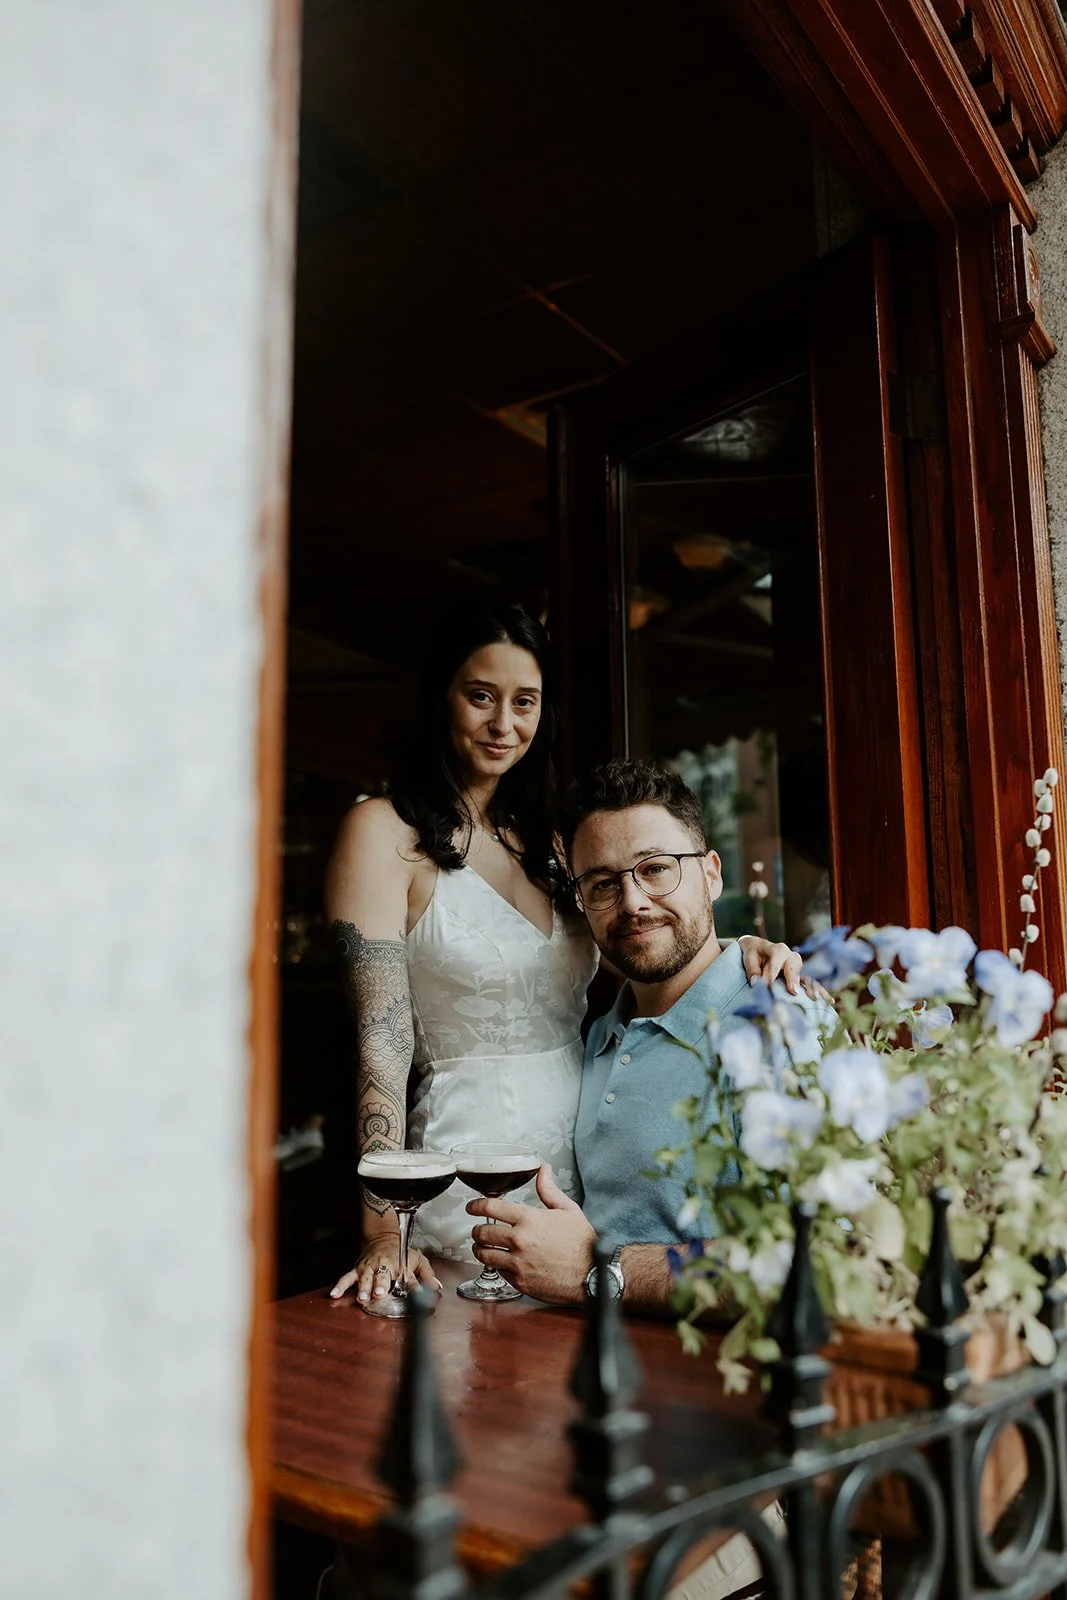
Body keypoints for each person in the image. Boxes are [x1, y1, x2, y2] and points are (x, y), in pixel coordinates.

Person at [325, 604, 804, 1308]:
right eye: (480, 696)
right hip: (461, 1162)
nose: (502, 724)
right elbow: (382, 1043)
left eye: (525, 702)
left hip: (580, 1177)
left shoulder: (552, 845)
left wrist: (738, 951)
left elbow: (642, 947)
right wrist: (379, 1230)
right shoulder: (380, 831)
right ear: (441, 696)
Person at [463, 756, 823, 1310]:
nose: (632, 903)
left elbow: (819, 1258)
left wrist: (598, 1270)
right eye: (604, 883)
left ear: (711, 873)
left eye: (656, 868)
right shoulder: (601, 1036)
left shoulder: (780, 1022)